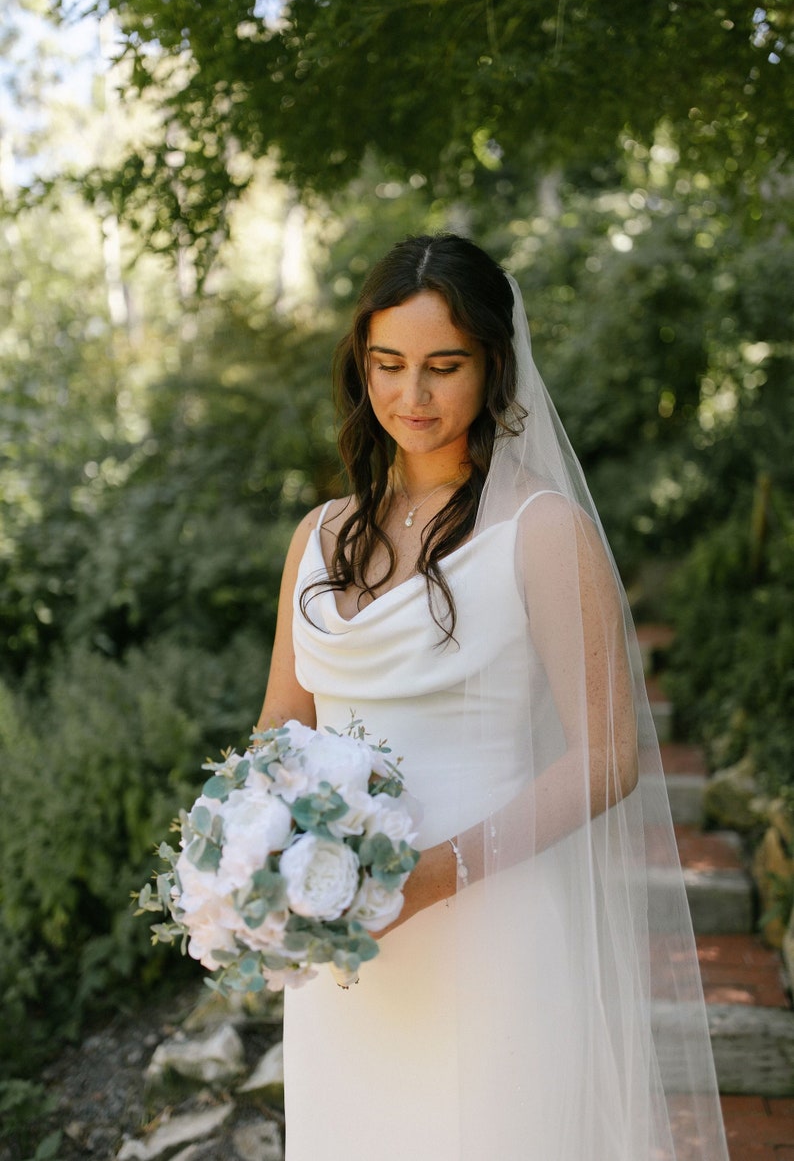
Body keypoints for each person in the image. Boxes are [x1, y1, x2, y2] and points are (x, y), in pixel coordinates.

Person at [257, 233, 728, 1160]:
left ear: (493, 366)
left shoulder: (543, 532)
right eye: (388, 365)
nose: (413, 396)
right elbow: (281, 725)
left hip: (492, 919)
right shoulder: (318, 536)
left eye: (444, 366)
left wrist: (435, 874)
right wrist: (250, 857)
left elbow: (607, 757)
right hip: (345, 933)